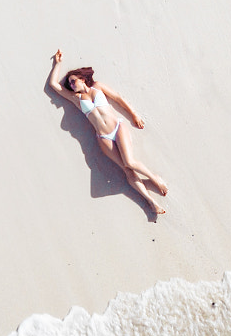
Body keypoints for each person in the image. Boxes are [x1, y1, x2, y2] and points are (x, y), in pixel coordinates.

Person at [48, 49, 169, 216]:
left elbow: (118, 99)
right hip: (103, 137)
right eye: (70, 84)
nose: (72, 85)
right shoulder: (76, 99)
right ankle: (151, 201)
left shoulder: (98, 87)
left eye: (73, 81)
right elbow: (54, 85)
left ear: (82, 79)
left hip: (118, 127)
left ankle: (155, 179)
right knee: (127, 170)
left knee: (130, 162)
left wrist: (134, 115)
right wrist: (57, 64)